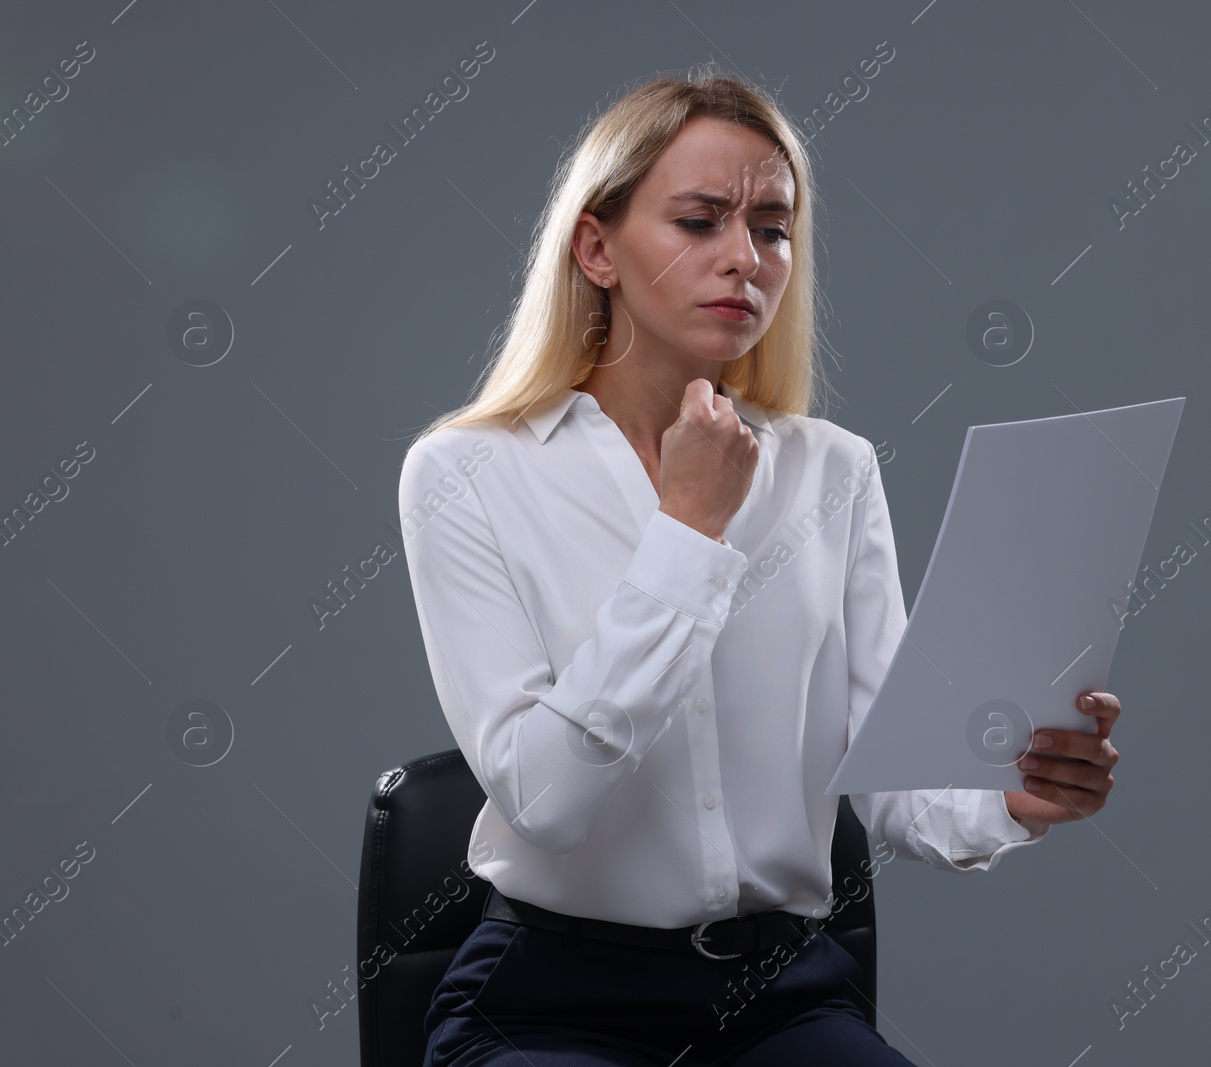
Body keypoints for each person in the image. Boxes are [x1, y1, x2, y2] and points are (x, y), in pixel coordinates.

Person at [398, 63, 1122, 1067]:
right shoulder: (468, 472)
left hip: (780, 999)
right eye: (700, 221)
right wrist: (689, 534)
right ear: (597, 247)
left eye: (772, 228)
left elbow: (892, 774)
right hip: (548, 1000)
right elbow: (547, 799)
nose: (745, 259)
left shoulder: (833, 468)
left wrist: (1013, 797)